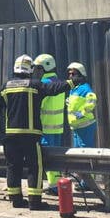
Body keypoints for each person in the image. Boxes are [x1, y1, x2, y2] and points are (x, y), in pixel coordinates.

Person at [0, 54, 75, 211]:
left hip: (10, 136)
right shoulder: (35, 85)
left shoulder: (6, 86)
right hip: (30, 135)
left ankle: (16, 200)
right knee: (35, 167)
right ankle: (34, 202)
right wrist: (71, 82)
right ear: (29, 70)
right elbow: (55, 88)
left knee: (12, 167)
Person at [34, 53, 66, 195]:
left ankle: (54, 186)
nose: (36, 71)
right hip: (57, 127)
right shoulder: (58, 82)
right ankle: (57, 184)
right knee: (56, 157)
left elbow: (39, 105)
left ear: (43, 68)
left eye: (38, 68)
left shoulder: (44, 84)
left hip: (45, 126)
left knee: (48, 158)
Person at [65, 62, 98, 148]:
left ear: (81, 74)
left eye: (73, 74)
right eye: (69, 74)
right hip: (76, 126)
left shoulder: (85, 88)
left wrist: (82, 113)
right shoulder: (74, 89)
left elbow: (92, 101)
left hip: (85, 125)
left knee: (85, 150)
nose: (70, 76)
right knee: (78, 152)